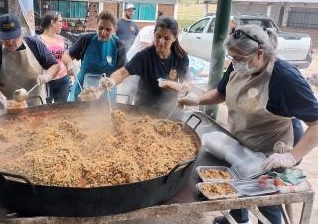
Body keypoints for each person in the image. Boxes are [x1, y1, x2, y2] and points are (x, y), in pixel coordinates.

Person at [178, 25, 318, 224]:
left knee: (265, 198)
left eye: (238, 58)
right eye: (231, 58)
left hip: (272, 150)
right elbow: (221, 92)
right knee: (237, 180)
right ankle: (238, 218)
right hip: (243, 137)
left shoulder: (285, 78)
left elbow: (316, 124)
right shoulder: (240, 64)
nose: (234, 63)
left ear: (260, 53)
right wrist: (197, 99)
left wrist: (290, 157)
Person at [103, 16, 189, 110]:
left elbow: (185, 79)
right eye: (158, 36)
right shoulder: (144, 56)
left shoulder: (181, 57)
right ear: (154, 34)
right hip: (143, 110)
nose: (161, 42)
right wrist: (111, 81)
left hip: (168, 109)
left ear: (174, 38)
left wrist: (186, 86)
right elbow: (123, 72)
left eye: (167, 38)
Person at [0, 13, 60, 109]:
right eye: (6, 38)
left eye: (14, 37)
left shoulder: (34, 44)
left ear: (21, 32)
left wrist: (47, 76)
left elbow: (54, 66)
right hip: (9, 107)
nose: (11, 42)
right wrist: (0, 98)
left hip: (36, 105)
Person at [63, 10, 126, 101]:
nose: (103, 32)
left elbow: (122, 73)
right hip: (83, 90)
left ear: (114, 30)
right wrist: (69, 64)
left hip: (106, 92)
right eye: (100, 28)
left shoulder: (118, 45)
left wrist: (102, 88)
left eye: (108, 30)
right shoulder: (86, 39)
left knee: (104, 115)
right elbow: (66, 55)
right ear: (96, 26)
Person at [36, 11, 71, 103]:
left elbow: (64, 56)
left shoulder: (61, 39)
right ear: (52, 23)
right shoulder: (37, 41)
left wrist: (70, 64)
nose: (62, 24)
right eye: (60, 21)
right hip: (46, 81)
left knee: (61, 109)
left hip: (63, 79)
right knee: (46, 110)